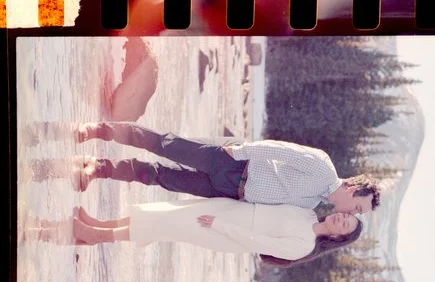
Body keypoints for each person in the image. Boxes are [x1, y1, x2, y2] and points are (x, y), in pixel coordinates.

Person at [54, 121, 383, 217]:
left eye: (358, 213)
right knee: (164, 144)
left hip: (228, 191)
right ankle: (99, 130)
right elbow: (277, 148)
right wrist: (237, 150)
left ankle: (98, 168)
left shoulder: (311, 206)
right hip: (233, 163)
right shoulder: (323, 167)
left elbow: (261, 209)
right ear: (354, 190)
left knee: (161, 177)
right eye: (358, 207)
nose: (353, 212)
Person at [33, 201, 363, 266]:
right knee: (164, 213)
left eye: (345, 226)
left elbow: (258, 242)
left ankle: (93, 235)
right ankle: (99, 226)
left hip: (226, 232)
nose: (340, 221)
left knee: (164, 226)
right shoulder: (306, 213)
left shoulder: (304, 245)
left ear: (338, 238)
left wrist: (221, 225)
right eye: (344, 217)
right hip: (228, 210)